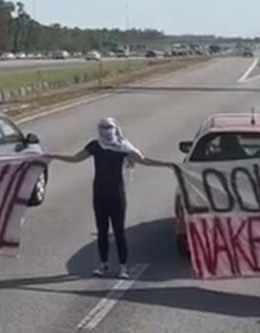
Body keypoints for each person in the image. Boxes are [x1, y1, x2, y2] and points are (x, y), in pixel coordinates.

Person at [46, 117, 172, 279]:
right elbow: (76, 158)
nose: (106, 131)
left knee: (119, 231)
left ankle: (123, 266)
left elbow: (144, 161)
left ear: (115, 128)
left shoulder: (123, 148)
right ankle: (103, 263)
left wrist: (168, 164)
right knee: (102, 230)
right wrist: (54, 156)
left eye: (109, 127)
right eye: (103, 127)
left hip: (117, 194)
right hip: (99, 193)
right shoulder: (95, 146)